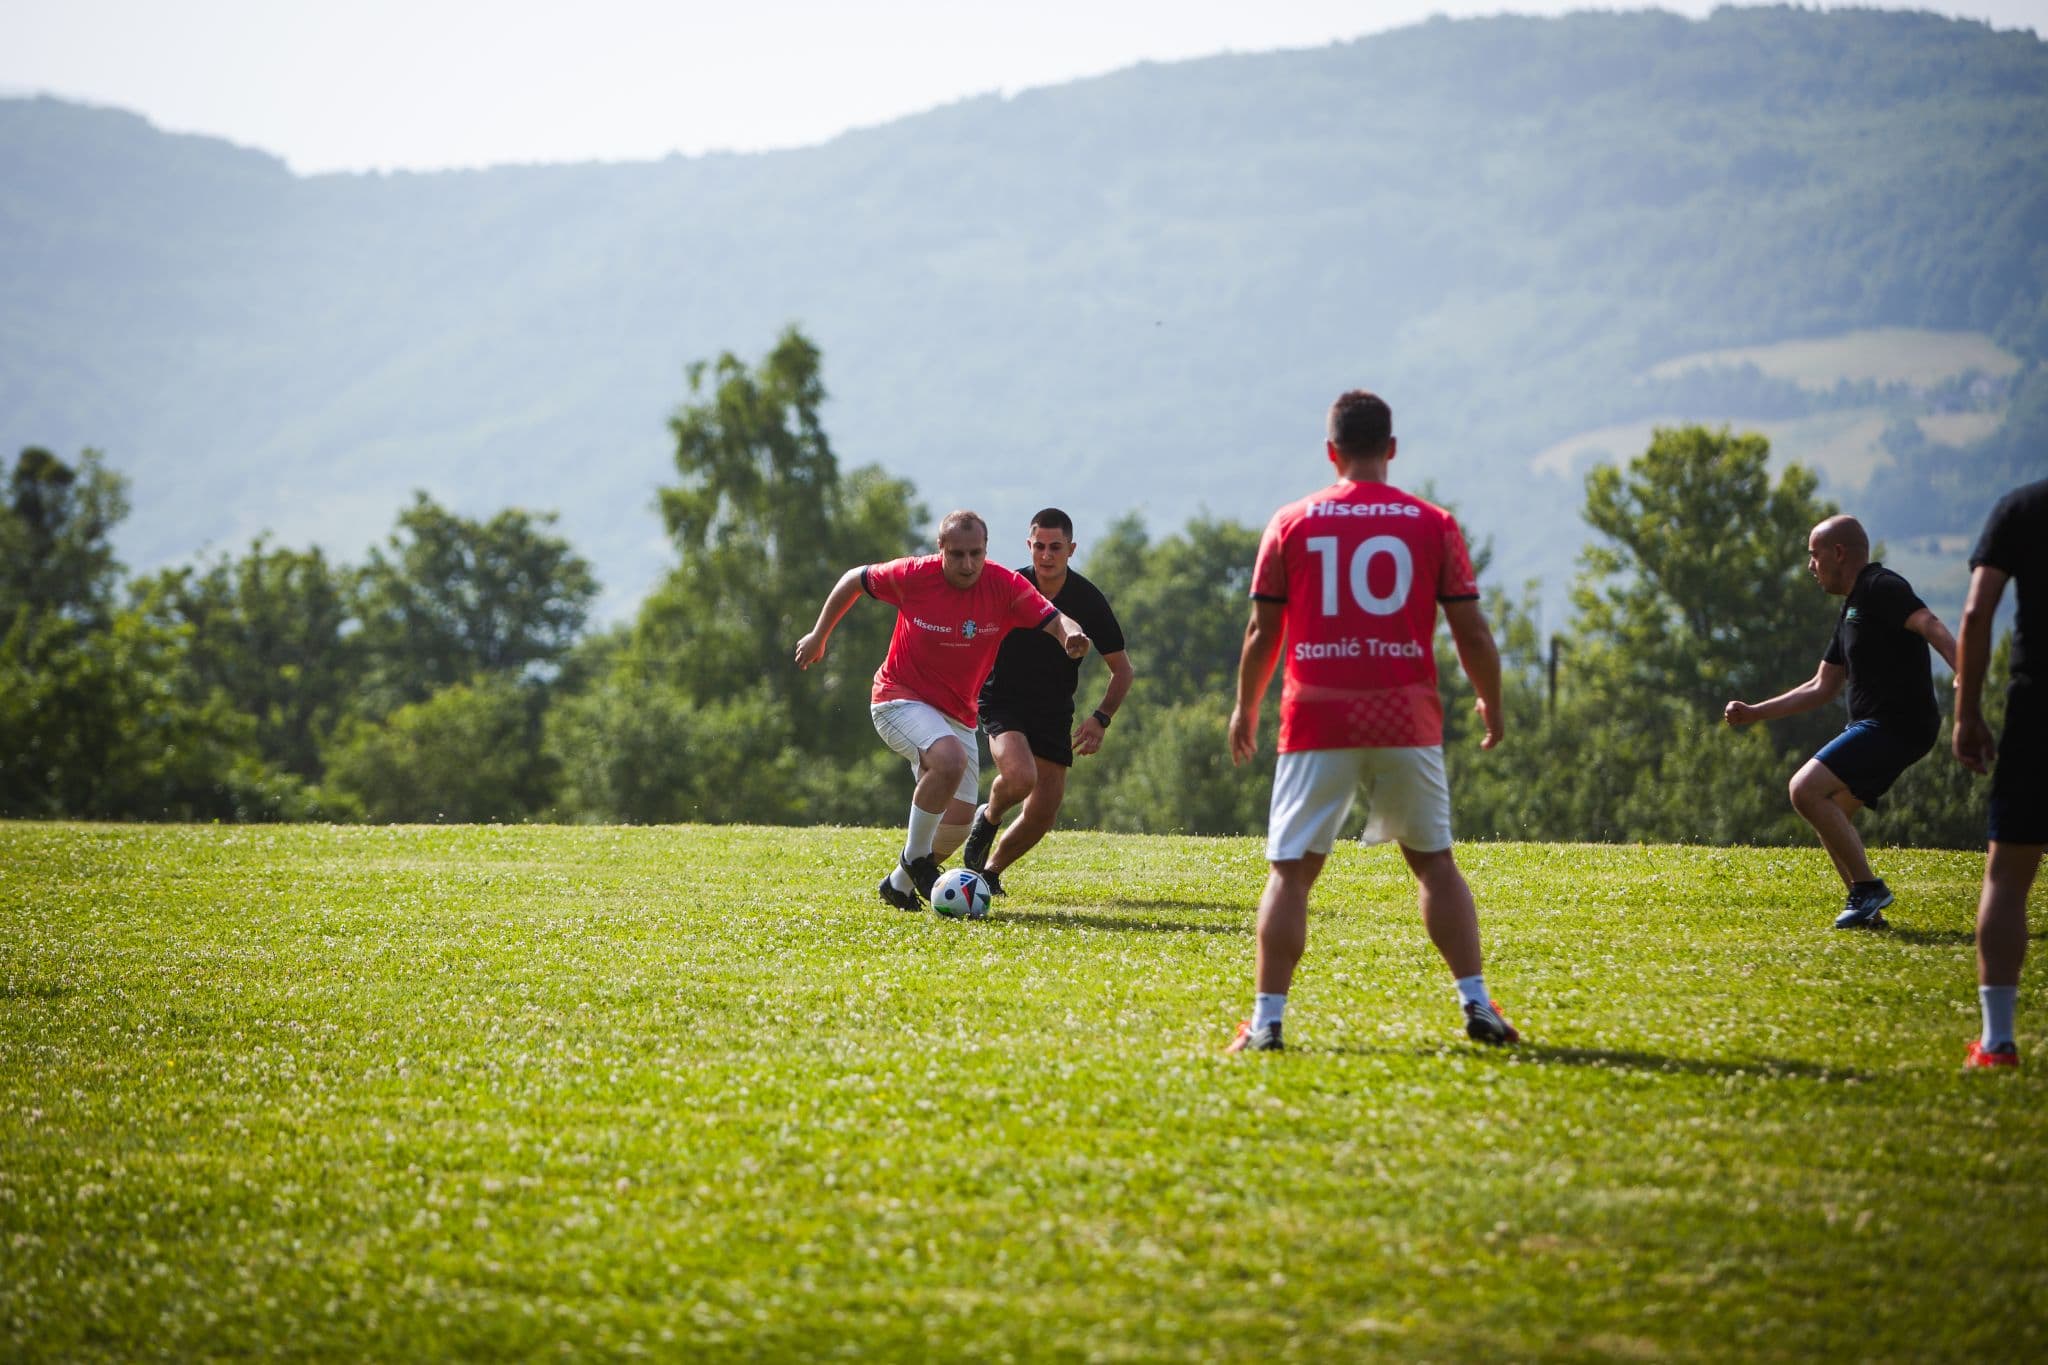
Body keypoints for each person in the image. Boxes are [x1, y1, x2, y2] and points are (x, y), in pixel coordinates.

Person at [1225, 389, 1514, 1053]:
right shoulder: (1433, 522)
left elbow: (1261, 630)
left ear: (1331, 451)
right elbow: (1470, 626)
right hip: (1405, 715)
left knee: (1291, 872)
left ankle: (1268, 1021)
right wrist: (1490, 700)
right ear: (1391, 448)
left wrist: (1246, 705)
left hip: (1315, 717)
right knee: (1435, 864)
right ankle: (1476, 1004)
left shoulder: (1292, 521)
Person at [794, 509, 1090, 911]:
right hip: (897, 698)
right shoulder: (914, 575)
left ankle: (898, 884)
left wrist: (1071, 633)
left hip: (956, 714)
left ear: (986, 550)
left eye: (976, 554)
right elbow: (854, 579)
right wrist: (819, 634)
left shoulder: (1004, 585)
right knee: (947, 761)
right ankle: (916, 859)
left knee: (957, 824)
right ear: (941, 549)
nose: (968, 565)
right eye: (958, 555)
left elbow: (1054, 619)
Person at [1724, 515, 1959, 928]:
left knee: (1803, 789)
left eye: (1814, 555)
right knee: (1829, 808)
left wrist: (1963, 670)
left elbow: (1930, 624)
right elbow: (1821, 686)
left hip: (1896, 724)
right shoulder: (1851, 607)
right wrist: (1755, 711)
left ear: (1838, 553)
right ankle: (1866, 908)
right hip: (1880, 727)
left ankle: (1868, 889)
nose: (1810, 566)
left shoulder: (1881, 586)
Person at [959, 509, 1134, 895]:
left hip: (1054, 710)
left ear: (1071, 549)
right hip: (1003, 700)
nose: (1046, 555)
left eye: (1056, 547)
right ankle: (988, 817)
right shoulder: (1011, 587)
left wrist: (1100, 718)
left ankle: (989, 874)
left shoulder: (1088, 600)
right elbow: (969, 629)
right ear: (1029, 546)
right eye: (1039, 546)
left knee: (1043, 812)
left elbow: (1122, 670)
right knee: (1021, 777)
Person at [1953, 478, 2047, 1069]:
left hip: (2039, 703)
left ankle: (1997, 1041)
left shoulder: (2022, 508)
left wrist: (1966, 714)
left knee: (2008, 875)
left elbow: (1975, 612)